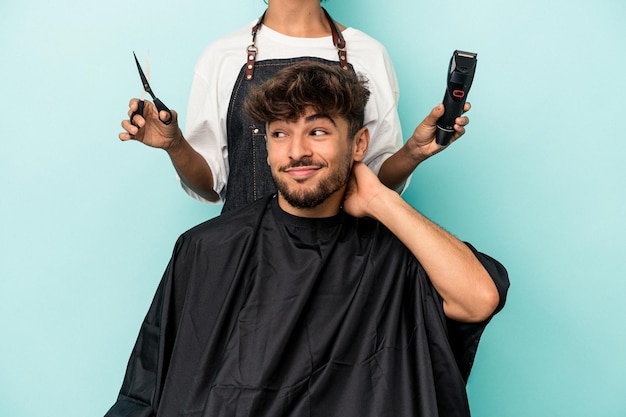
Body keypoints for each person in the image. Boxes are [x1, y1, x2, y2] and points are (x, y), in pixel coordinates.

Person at [106, 61, 508, 417]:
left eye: (317, 131)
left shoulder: (397, 254)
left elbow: (479, 298)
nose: (296, 151)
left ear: (359, 145)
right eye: (279, 133)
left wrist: (380, 199)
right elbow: (144, 392)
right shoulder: (207, 249)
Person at [120, 0, 470, 212]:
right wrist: (175, 145)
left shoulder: (369, 54)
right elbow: (209, 185)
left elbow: (377, 182)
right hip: (245, 268)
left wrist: (413, 152)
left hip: (346, 272)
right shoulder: (221, 57)